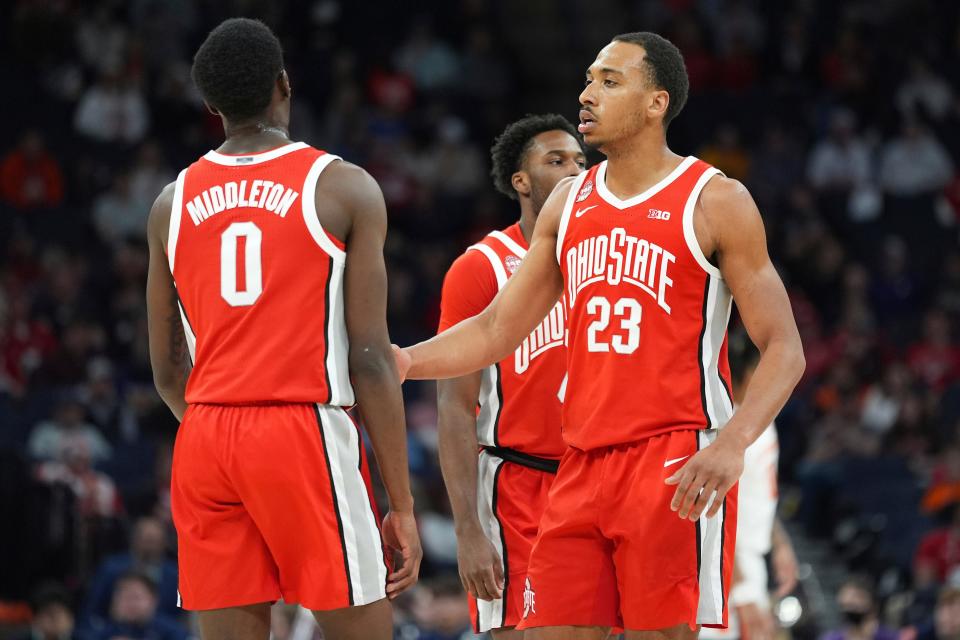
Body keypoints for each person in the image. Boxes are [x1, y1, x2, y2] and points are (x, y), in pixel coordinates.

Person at [395, 31, 805, 639]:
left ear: (655, 102)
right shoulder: (568, 202)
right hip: (580, 465)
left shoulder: (715, 200)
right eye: (589, 79)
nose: (587, 94)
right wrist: (402, 362)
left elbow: (784, 348)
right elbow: (497, 328)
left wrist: (732, 443)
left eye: (610, 81)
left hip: (669, 459)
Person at [145, 18, 421, 640]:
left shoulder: (171, 202)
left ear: (211, 105)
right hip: (299, 427)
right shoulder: (343, 187)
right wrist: (400, 504)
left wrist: (225, 436)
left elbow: (166, 368)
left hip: (206, 433)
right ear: (283, 86)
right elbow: (372, 358)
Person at [436, 114, 585, 637]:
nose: (575, 170)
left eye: (581, 160)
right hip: (519, 490)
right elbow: (454, 409)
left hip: (598, 481)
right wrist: (468, 531)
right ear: (521, 181)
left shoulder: (602, 258)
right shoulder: (480, 268)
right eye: (557, 160)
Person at [700, 337, 799, 640]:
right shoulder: (724, 425)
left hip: (746, 561)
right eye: (765, 369)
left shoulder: (760, 421)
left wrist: (780, 541)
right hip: (722, 565)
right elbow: (709, 511)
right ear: (744, 375)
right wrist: (740, 589)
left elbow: (753, 495)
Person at [818, 576, 897, 640]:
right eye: (844, 606)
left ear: (874, 606)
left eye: (856, 599)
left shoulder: (890, 637)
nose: (849, 608)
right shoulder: (831, 638)